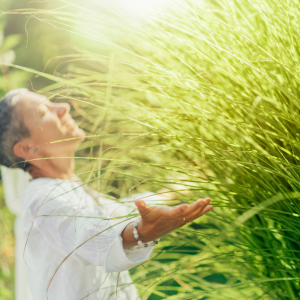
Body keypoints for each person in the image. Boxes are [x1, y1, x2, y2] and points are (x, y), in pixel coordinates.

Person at [0, 88, 213, 300]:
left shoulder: (71, 188)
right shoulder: (41, 198)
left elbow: (122, 211)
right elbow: (86, 233)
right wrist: (141, 233)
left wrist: (177, 189)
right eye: (44, 112)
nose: (63, 107)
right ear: (27, 149)